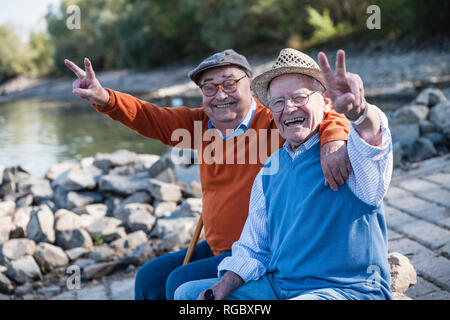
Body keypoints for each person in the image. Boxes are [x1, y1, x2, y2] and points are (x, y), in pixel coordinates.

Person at [64, 49, 351, 300]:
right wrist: (104, 98)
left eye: (229, 83)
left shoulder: (274, 118)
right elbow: (148, 117)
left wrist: (334, 139)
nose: (220, 94)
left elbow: (325, 112)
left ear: (250, 85)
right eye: (209, 88)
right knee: (148, 279)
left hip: (260, 250)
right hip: (217, 246)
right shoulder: (201, 125)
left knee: (179, 282)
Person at [174, 48, 394, 300]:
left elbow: (372, 137)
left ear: (325, 102)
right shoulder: (270, 169)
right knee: (187, 295)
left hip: (346, 290)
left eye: (299, 98)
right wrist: (224, 285)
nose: (288, 108)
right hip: (279, 288)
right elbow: (254, 248)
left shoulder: (349, 153)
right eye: (278, 101)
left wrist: (360, 112)